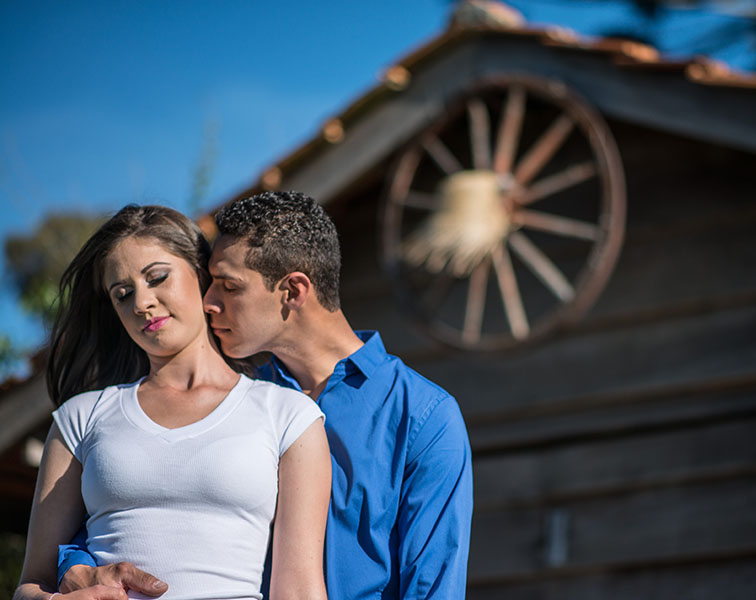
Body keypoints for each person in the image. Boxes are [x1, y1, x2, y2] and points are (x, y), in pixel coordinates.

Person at [59, 191, 474, 599]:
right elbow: (110, 518)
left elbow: (433, 586)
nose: (208, 302)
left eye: (228, 286)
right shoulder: (237, 399)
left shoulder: (422, 416)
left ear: (293, 291)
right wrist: (72, 565)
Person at [15, 205, 331, 600]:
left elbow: (300, 589)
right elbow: (31, 585)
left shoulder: (289, 415)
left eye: (158, 277)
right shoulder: (81, 417)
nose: (141, 303)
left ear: (202, 276)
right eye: (123, 294)